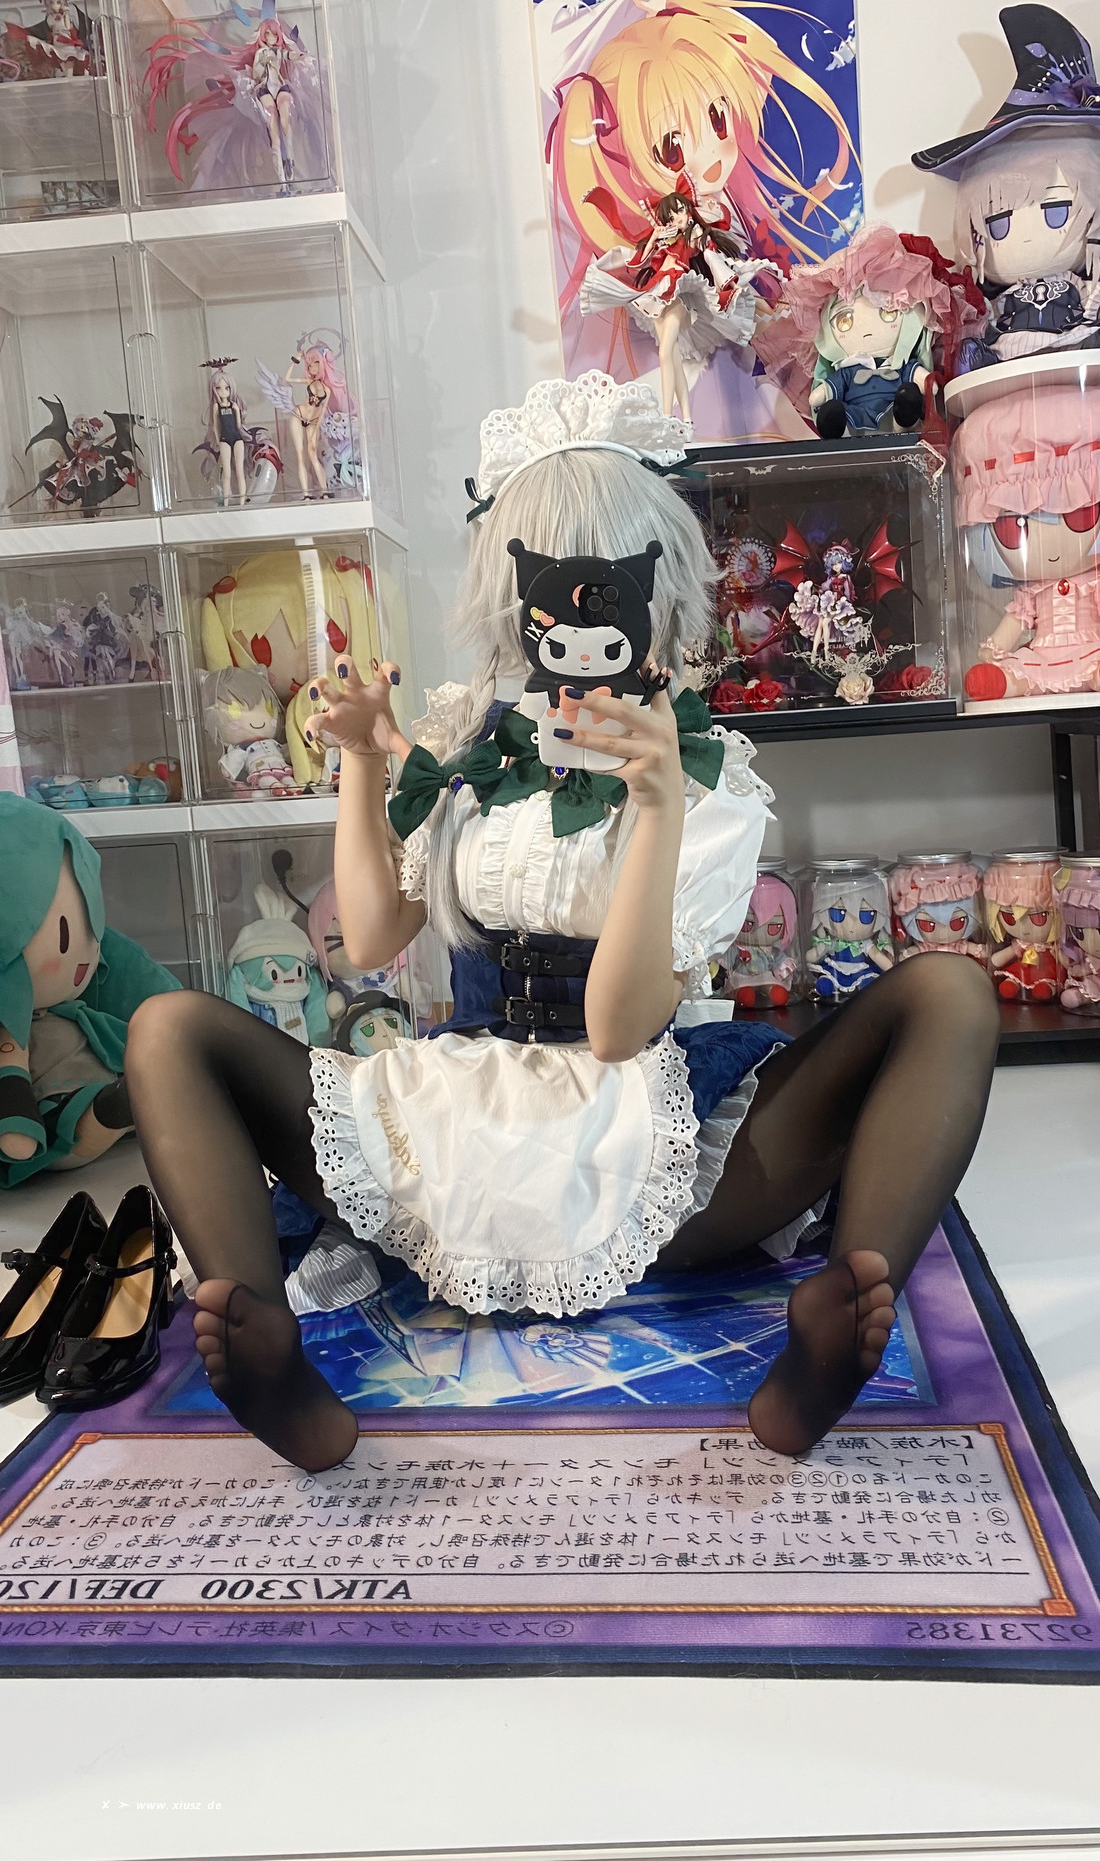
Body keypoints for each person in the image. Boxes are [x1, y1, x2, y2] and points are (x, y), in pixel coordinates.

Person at [125, 375, 1000, 1473]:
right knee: (167, 1029)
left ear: (656, 591)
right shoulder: (466, 740)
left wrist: (658, 807)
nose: (580, 620)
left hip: (653, 1153)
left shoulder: (706, 773)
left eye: (609, 586)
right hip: (444, 1135)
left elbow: (624, 1029)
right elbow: (376, 940)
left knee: (949, 990)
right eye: (551, 587)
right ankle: (265, 1348)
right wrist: (359, 761)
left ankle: (835, 1325)